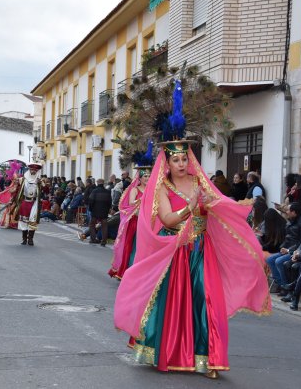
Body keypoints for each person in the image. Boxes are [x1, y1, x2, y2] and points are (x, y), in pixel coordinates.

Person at [113, 81, 269, 378]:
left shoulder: (200, 182)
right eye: (176, 159)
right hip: (177, 252)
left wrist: (227, 206)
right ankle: (172, 353)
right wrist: (191, 206)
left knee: (206, 302)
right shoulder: (162, 188)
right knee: (176, 305)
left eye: (185, 158)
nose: (182, 163)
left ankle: (208, 359)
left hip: (201, 250)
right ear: (167, 162)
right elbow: (169, 220)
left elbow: (218, 205)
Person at [109, 165, 151, 278]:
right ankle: (128, 270)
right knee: (133, 246)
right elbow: (131, 203)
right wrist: (142, 199)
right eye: (145, 176)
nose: (147, 178)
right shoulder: (135, 189)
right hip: (136, 221)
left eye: (149, 176)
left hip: (148, 222)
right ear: (140, 178)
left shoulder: (152, 190)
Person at [266, 202, 301, 293]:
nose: (286, 212)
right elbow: (287, 237)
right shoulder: (290, 220)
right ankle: (281, 284)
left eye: (288, 210)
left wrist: (289, 250)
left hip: (295, 251)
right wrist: (282, 247)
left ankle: (286, 287)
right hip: (287, 249)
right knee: (270, 259)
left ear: (294, 212)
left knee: (279, 261)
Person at [13, 164, 42, 246]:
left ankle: (31, 239)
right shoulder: (22, 179)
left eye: (35, 170)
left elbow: (43, 189)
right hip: (25, 202)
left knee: (33, 221)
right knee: (23, 221)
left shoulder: (39, 181)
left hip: (34, 203)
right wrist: (13, 200)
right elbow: (16, 190)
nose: (33, 171)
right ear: (29, 170)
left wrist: (40, 185)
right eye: (32, 170)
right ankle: (24, 239)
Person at [0, 162, 22, 229]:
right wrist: (13, 189)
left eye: (17, 180)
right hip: (12, 200)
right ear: (13, 180)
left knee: (16, 211)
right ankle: (9, 223)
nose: (16, 181)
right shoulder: (13, 186)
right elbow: (11, 191)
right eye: (15, 180)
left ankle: (14, 223)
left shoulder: (19, 185)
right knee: (10, 211)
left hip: (18, 200)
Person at [88, 178, 112, 246]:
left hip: (95, 212)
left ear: (97, 183)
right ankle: (104, 241)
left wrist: (91, 209)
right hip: (104, 212)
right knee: (104, 226)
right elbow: (109, 202)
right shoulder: (107, 192)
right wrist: (107, 210)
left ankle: (93, 239)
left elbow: (91, 201)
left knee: (92, 225)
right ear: (103, 183)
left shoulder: (94, 191)